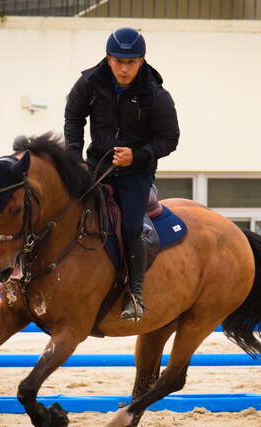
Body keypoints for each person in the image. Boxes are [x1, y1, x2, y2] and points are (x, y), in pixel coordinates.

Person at [64, 27, 180, 322]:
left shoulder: (156, 94)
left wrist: (137, 156)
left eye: (131, 62)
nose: (124, 68)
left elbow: (170, 139)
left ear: (142, 61)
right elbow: (74, 117)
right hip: (96, 164)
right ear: (108, 58)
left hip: (136, 173)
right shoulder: (89, 82)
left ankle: (135, 294)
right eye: (119, 61)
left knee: (130, 227)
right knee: (65, 210)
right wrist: (74, 158)